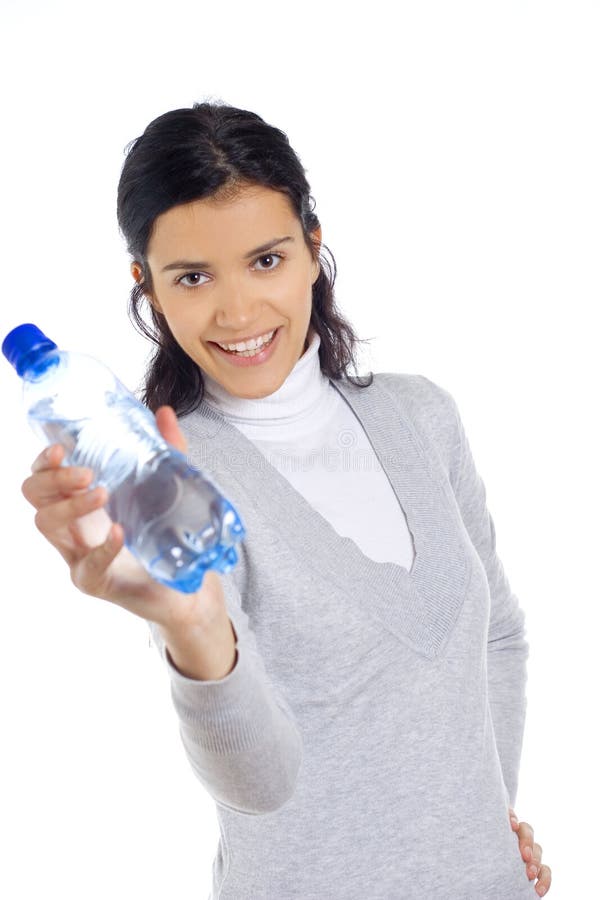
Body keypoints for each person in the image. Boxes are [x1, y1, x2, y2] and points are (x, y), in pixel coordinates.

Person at [22, 102, 552, 899]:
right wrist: (194, 627)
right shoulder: (174, 479)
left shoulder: (422, 415)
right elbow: (260, 784)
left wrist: (483, 821)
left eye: (265, 260)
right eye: (193, 277)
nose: (238, 313)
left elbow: (498, 638)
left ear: (312, 247)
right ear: (148, 287)